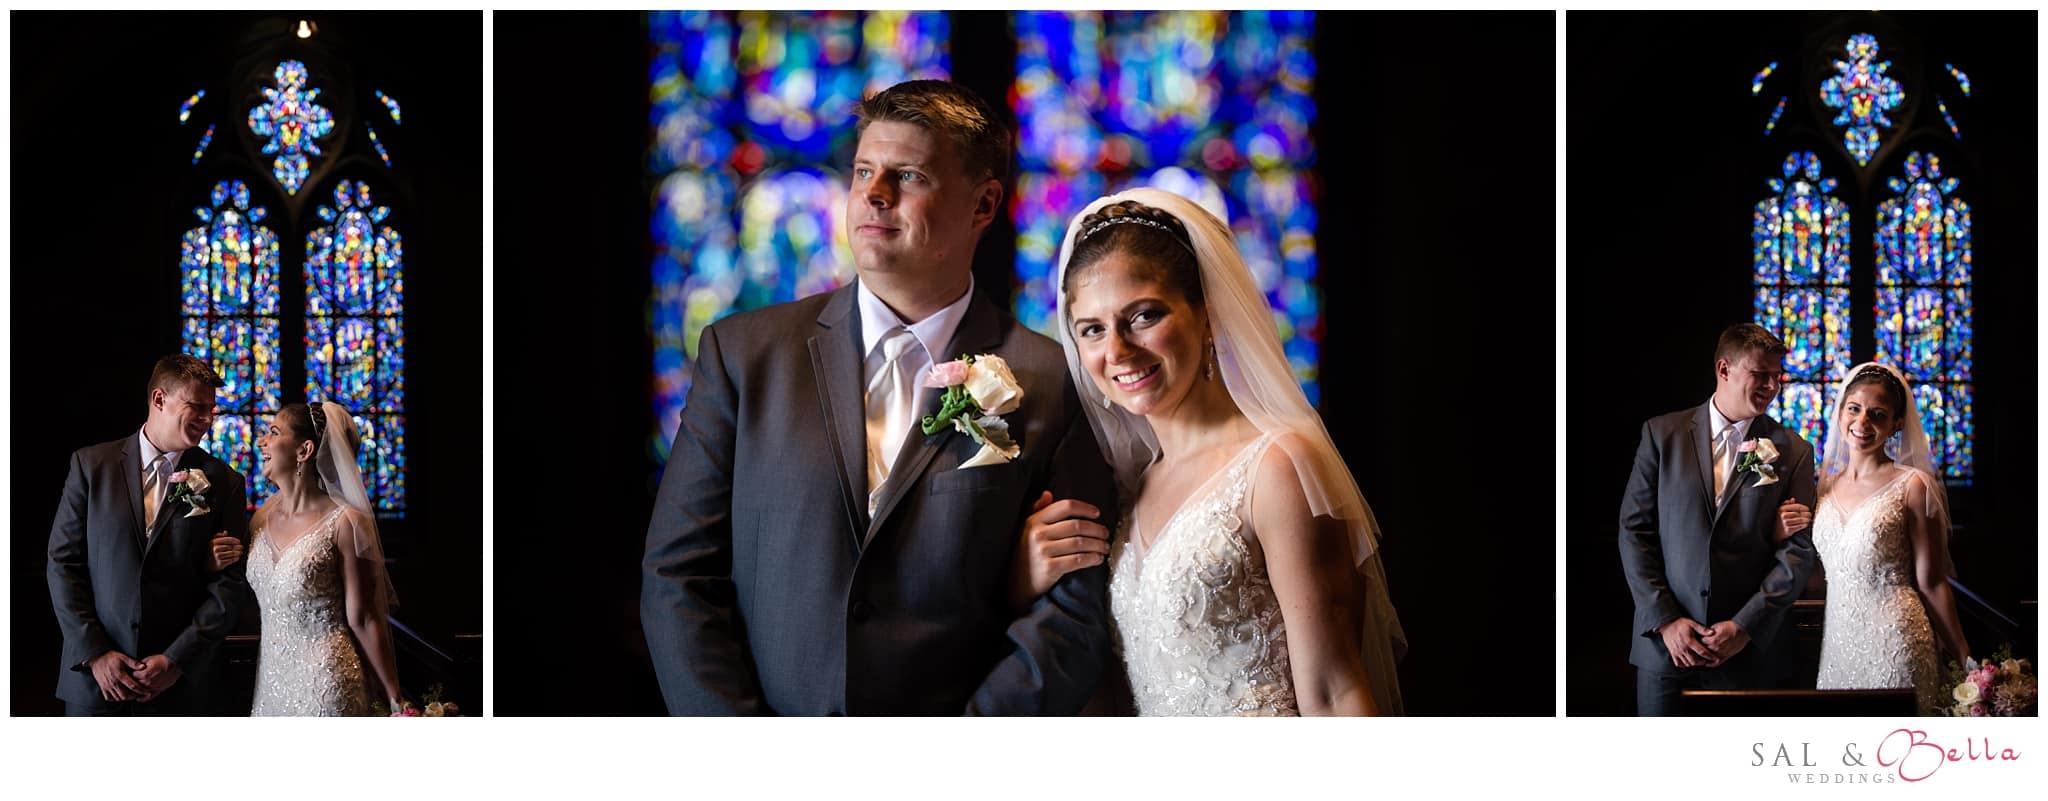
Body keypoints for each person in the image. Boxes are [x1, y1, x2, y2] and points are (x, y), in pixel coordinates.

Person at [640, 79, 1119, 715]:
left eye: (909, 176)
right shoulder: (744, 356)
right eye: (864, 170)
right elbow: (679, 577)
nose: (874, 193)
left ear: (983, 205)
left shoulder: (1054, 380)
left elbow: (1072, 610)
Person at [1014, 188, 1406, 715]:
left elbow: (1334, 691)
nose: (1117, 351)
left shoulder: (1278, 468)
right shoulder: (1128, 484)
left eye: (1145, 316)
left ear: (1205, 314)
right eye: (1092, 329)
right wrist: (1022, 579)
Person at [1618, 323, 1820, 715]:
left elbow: (1797, 553)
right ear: (1724, 370)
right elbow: (1634, 532)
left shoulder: (1792, 450)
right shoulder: (1662, 435)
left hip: (1747, 652)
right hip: (1665, 650)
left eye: (1777, 377)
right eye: (1760, 375)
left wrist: (1745, 626)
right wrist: (1666, 621)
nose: (1772, 386)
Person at [47, 354, 251, 715]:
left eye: (211, 410)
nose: (207, 420)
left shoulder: (223, 482)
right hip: (94, 683)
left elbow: (228, 585)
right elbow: (63, 565)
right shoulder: (91, 466)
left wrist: (176, 660)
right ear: (159, 400)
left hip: (179, 687)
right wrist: (95, 653)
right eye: (196, 408)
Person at [1775, 363, 1970, 714]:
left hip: (1896, 640)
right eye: (1855, 408)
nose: (1862, 423)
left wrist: (1964, 658)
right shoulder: (1822, 486)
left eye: (1877, 415)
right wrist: (1778, 530)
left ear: (1896, 424)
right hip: (1837, 642)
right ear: (1840, 412)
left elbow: (1932, 582)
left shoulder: (1912, 486)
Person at [209, 401, 402, 715]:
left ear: (304, 450)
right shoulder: (261, 517)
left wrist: (397, 700)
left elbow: (364, 617)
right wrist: (213, 561)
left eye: (273, 432)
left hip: (327, 683)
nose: (261, 442)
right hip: (271, 681)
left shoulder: (346, 523)